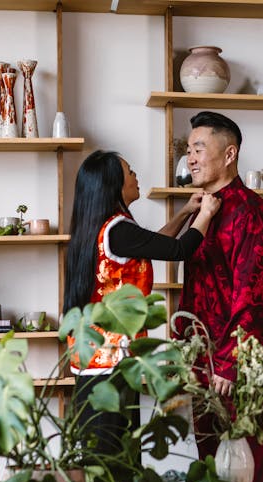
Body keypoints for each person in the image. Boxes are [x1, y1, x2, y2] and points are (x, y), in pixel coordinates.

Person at [63, 149, 219, 456]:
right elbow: (177, 251)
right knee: (116, 463)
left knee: (106, 462)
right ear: (114, 184)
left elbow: (156, 244)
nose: (135, 176)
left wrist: (186, 212)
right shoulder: (117, 230)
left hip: (94, 365)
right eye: (129, 171)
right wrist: (207, 214)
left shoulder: (106, 228)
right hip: (111, 368)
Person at [175, 111, 263, 482]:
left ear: (230, 153)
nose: (192, 159)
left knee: (249, 464)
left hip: (238, 367)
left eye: (199, 148)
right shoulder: (205, 210)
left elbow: (252, 294)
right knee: (211, 464)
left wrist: (230, 363)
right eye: (189, 150)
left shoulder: (250, 212)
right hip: (203, 363)